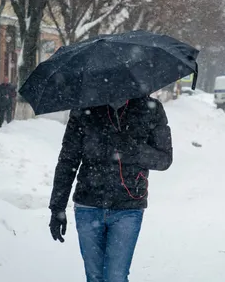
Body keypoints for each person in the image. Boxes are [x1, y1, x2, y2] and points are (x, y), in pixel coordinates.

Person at [49, 97, 173, 282]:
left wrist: (133, 149)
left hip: (128, 206)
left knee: (116, 277)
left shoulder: (149, 109)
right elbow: (68, 160)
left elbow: (164, 159)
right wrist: (57, 207)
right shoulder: (85, 109)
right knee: (94, 277)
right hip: (88, 205)